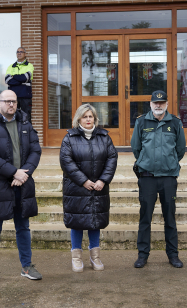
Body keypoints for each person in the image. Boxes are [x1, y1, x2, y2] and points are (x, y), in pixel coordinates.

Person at [0, 89, 42, 285]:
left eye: (13, 101)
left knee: (23, 227)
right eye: (6, 101)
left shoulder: (25, 123)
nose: (11, 105)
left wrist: (24, 173)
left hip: (22, 184)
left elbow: (35, 150)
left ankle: (27, 266)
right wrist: (14, 172)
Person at [130, 90, 186, 268]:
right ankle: (142, 255)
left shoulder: (175, 123)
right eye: (155, 103)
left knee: (169, 217)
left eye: (162, 103)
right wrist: (147, 163)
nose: (158, 105)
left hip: (168, 177)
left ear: (167, 104)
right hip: (147, 177)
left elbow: (180, 150)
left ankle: (173, 255)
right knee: (145, 217)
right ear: (150, 104)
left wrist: (168, 163)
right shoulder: (141, 122)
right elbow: (136, 148)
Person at [60, 104, 118, 272]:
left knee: (95, 222)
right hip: (76, 188)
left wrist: (103, 180)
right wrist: (83, 180)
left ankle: (95, 257)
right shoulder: (69, 138)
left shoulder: (104, 137)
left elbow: (111, 159)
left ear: (95, 119)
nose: (87, 119)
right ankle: (76, 258)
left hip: (98, 188)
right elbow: (66, 162)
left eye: (90, 116)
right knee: (77, 223)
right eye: (84, 116)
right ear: (79, 118)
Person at [5, 47, 34, 122]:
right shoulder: (11, 66)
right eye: (17, 52)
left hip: (25, 96)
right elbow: (7, 80)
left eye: (21, 52)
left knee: (26, 116)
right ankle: (15, 133)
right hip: (13, 96)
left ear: (25, 54)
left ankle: (27, 133)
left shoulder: (29, 66)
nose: (19, 53)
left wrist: (14, 76)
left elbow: (26, 77)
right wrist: (21, 80)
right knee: (12, 116)